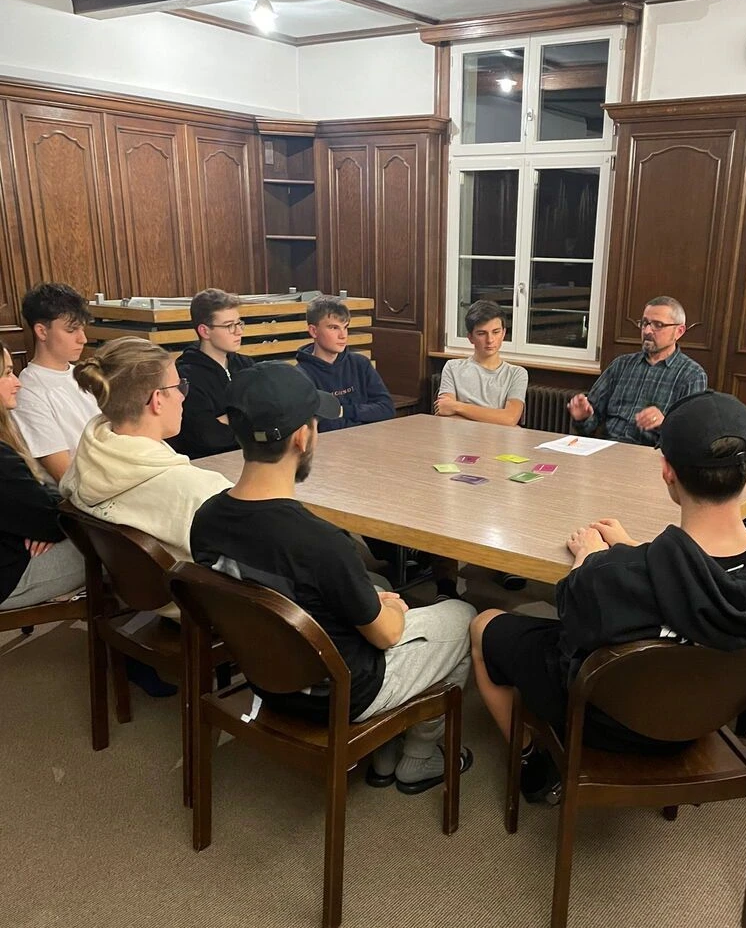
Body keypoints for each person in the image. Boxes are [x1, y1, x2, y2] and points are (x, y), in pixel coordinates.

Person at [470, 390, 746, 803]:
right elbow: (704, 573)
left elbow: (572, 619)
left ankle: (532, 764)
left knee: (484, 625)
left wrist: (589, 558)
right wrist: (633, 548)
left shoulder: (613, 576)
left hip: (612, 722)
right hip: (712, 713)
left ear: (666, 470)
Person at [191, 362, 476, 795]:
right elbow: (386, 635)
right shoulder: (322, 542)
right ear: (302, 438)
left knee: (376, 590)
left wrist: (376, 600)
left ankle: (384, 750)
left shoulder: (205, 519)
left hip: (266, 677)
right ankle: (419, 758)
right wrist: (392, 611)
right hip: (343, 692)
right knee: (463, 614)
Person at [60, 337, 231, 562]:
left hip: (126, 580)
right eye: (179, 386)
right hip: (185, 585)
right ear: (157, 400)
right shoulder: (199, 492)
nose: (182, 396)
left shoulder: (86, 459)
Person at [433, 299, 529, 598]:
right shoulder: (453, 367)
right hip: (457, 448)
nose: (490, 340)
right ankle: (445, 579)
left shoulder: (516, 373)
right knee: (447, 507)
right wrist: (490, 416)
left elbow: (510, 418)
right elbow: (443, 413)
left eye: (496, 332)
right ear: (470, 337)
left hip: (501, 452)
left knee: (509, 499)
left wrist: (460, 407)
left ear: (504, 333)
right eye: (482, 333)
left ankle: (504, 561)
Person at [0, 346, 84, 610]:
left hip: (14, 547)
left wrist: (45, 519)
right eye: (7, 373)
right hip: (9, 575)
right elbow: (53, 518)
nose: (17, 383)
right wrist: (47, 523)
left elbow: (41, 502)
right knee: (120, 550)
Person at [567, 296, 707, 446]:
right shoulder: (621, 365)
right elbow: (589, 423)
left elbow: (690, 438)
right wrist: (583, 417)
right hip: (607, 448)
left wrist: (665, 423)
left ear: (679, 331)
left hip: (650, 453)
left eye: (658, 325)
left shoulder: (692, 375)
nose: (647, 331)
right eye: (645, 323)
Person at [12, 283, 98, 482]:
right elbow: (65, 475)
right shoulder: (28, 392)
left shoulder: (83, 375)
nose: (83, 339)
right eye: (71, 330)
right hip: (81, 491)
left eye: (82, 329)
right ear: (42, 332)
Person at [167, 288, 255, 459]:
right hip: (208, 462)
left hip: (250, 457)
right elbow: (209, 437)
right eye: (229, 326)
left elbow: (269, 415)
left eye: (239, 323)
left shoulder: (247, 365)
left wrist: (227, 418)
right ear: (205, 331)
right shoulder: (186, 375)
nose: (239, 331)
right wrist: (246, 419)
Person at [295, 296, 394, 431]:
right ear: (313, 331)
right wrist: (365, 415)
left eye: (345, 327)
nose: (343, 335)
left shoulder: (361, 364)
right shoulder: (301, 375)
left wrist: (344, 411)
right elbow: (323, 426)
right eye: (334, 328)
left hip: (367, 439)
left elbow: (387, 409)